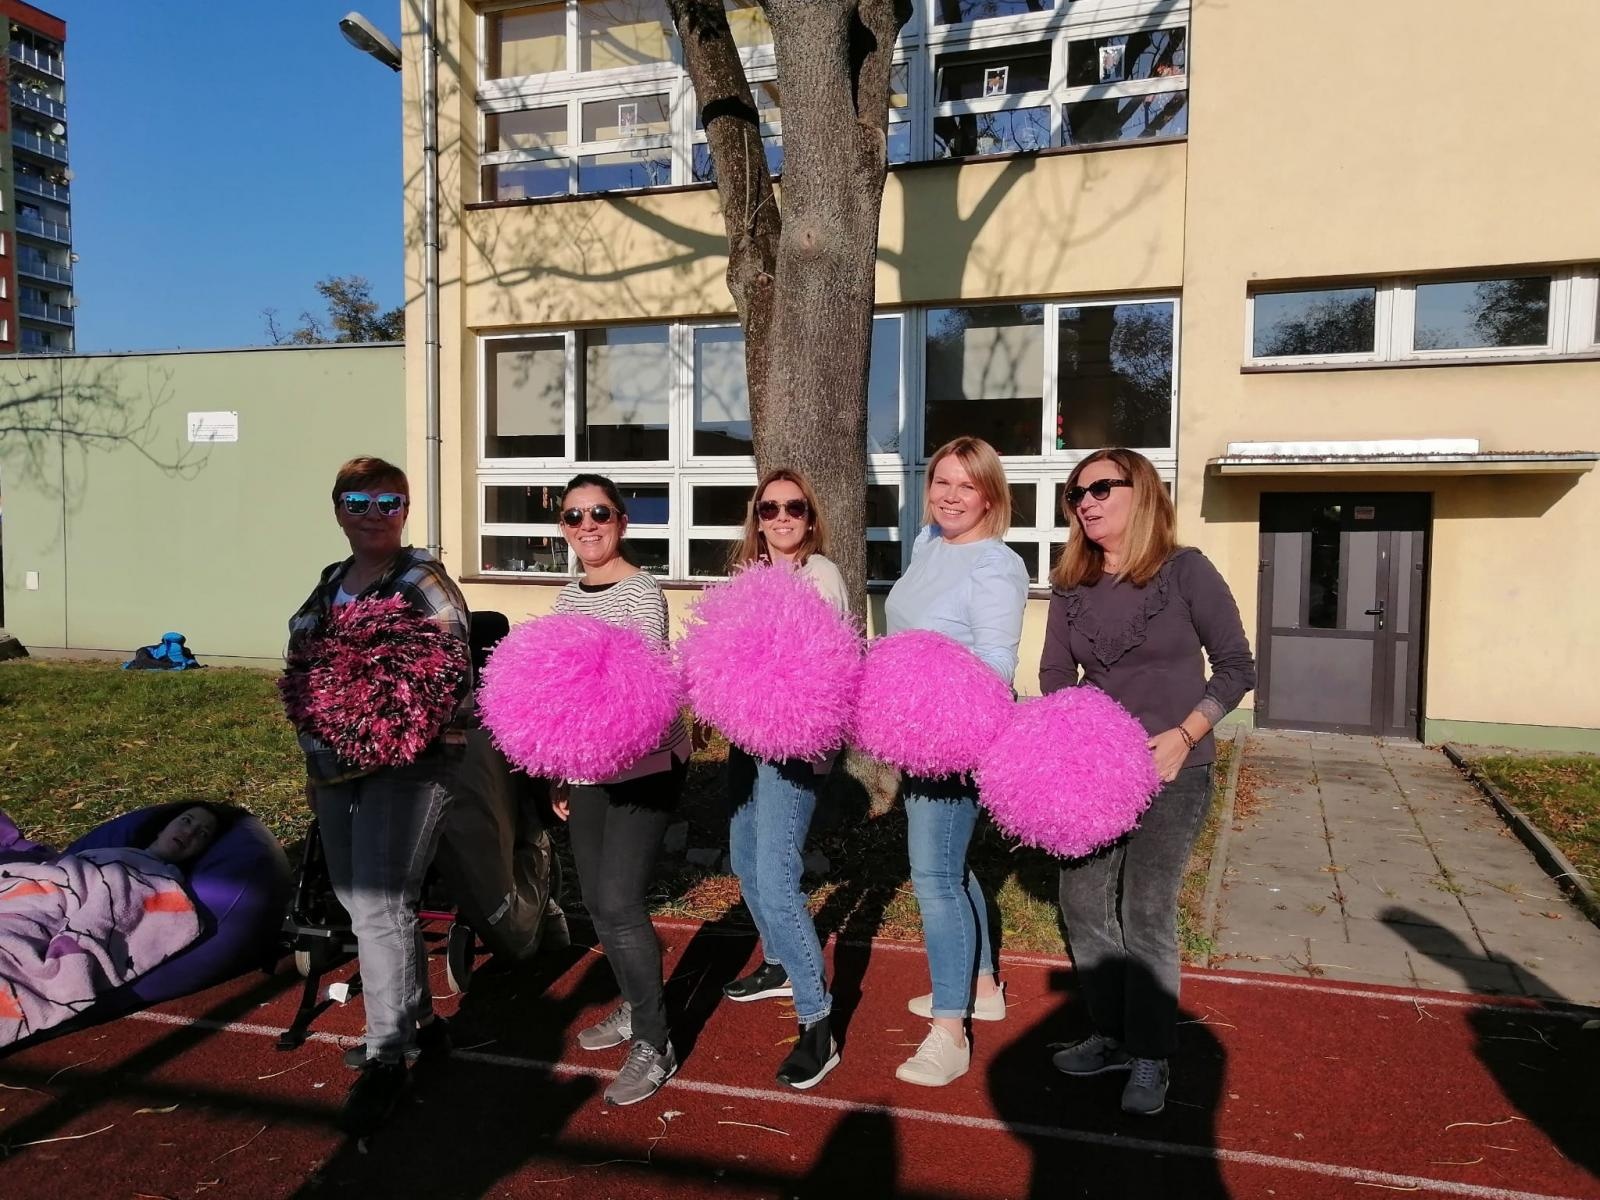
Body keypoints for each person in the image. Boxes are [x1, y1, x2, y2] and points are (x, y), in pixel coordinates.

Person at [1040, 447, 1255, 1117]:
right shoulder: (1070, 584)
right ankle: (1111, 1036)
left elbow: (1236, 668)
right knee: (1080, 903)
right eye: (1076, 494)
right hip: (1096, 778)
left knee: (1146, 910)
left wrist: (1188, 732)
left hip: (1174, 772)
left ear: (1144, 492)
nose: (1087, 501)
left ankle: (1152, 1056)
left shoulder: (1185, 572)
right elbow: (1053, 676)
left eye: (1102, 487)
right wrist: (1074, 736)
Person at [287, 456, 472, 1137]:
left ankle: (389, 1053)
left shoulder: (422, 581)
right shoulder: (332, 582)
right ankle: (422, 1020)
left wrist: (392, 722)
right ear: (338, 508)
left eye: (388, 502)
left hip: (410, 765)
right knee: (351, 894)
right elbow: (303, 670)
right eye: (358, 500)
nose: (372, 512)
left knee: (379, 903)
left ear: (405, 510)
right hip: (334, 767)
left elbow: (454, 674)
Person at [884, 436, 1030, 1087]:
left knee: (933, 878)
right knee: (949, 865)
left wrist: (939, 716)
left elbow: (997, 666)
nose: (948, 495)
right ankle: (982, 986)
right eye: (941, 481)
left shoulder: (996, 566)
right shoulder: (927, 544)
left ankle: (950, 1030)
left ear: (990, 497)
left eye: (965, 486)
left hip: (955, 742)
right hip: (914, 735)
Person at [552, 473, 690, 1107]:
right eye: (574, 516)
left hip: (643, 766)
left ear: (622, 521)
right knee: (596, 901)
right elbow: (552, 695)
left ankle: (656, 1040)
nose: (587, 526)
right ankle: (638, 1007)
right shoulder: (565, 597)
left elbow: (641, 701)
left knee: (620, 901)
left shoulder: (641, 593)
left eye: (599, 513)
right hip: (585, 773)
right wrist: (558, 765)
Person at [719, 468, 848, 1090]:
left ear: (810, 515)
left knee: (775, 872)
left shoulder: (819, 575)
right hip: (747, 739)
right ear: (757, 518)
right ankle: (776, 963)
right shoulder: (749, 577)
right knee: (744, 856)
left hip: (792, 745)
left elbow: (822, 668)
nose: (781, 516)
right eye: (769, 508)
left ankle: (816, 1021)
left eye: (794, 506)